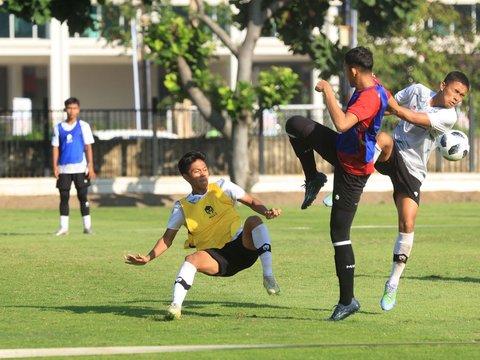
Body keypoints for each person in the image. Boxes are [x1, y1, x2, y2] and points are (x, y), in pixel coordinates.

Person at [285, 46, 390, 321]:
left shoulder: (369, 96)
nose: (346, 75)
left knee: (339, 233)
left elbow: (343, 123)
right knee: (294, 124)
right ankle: (314, 178)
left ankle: (348, 301)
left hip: (352, 171)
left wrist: (328, 91)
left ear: (353, 71)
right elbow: (390, 104)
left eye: (346, 71)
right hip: (340, 149)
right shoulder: (376, 85)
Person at [125, 150, 281, 320]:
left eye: (204, 169)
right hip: (216, 257)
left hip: (242, 246)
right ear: (186, 176)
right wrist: (148, 257)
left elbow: (251, 201)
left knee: (253, 220)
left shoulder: (223, 186)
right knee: (191, 259)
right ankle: (176, 306)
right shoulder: (181, 207)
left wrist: (266, 212)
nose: (203, 174)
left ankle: (268, 276)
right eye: (196, 171)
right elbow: (167, 239)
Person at [374, 71, 470, 311]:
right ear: (442, 85)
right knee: (382, 138)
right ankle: (345, 189)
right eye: (455, 91)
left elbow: (411, 116)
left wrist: (382, 94)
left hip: (414, 170)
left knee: (407, 224)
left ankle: (393, 282)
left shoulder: (449, 116)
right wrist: (373, 102)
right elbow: (389, 107)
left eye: (462, 95)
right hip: (394, 151)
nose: (457, 98)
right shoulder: (416, 90)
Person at [51, 97, 96, 236]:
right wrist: (55, 166)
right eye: (69, 108)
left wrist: (91, 166)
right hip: (64, 168)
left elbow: (88, 147)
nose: (72, 111)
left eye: (75, 108)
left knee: (83, 196)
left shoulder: (83, 126)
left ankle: (87, 227)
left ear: (79, 109)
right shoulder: (58, 127)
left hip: (80, 168)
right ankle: (63, 228)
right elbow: (55, 147)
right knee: (64, 197)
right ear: (65, 109)